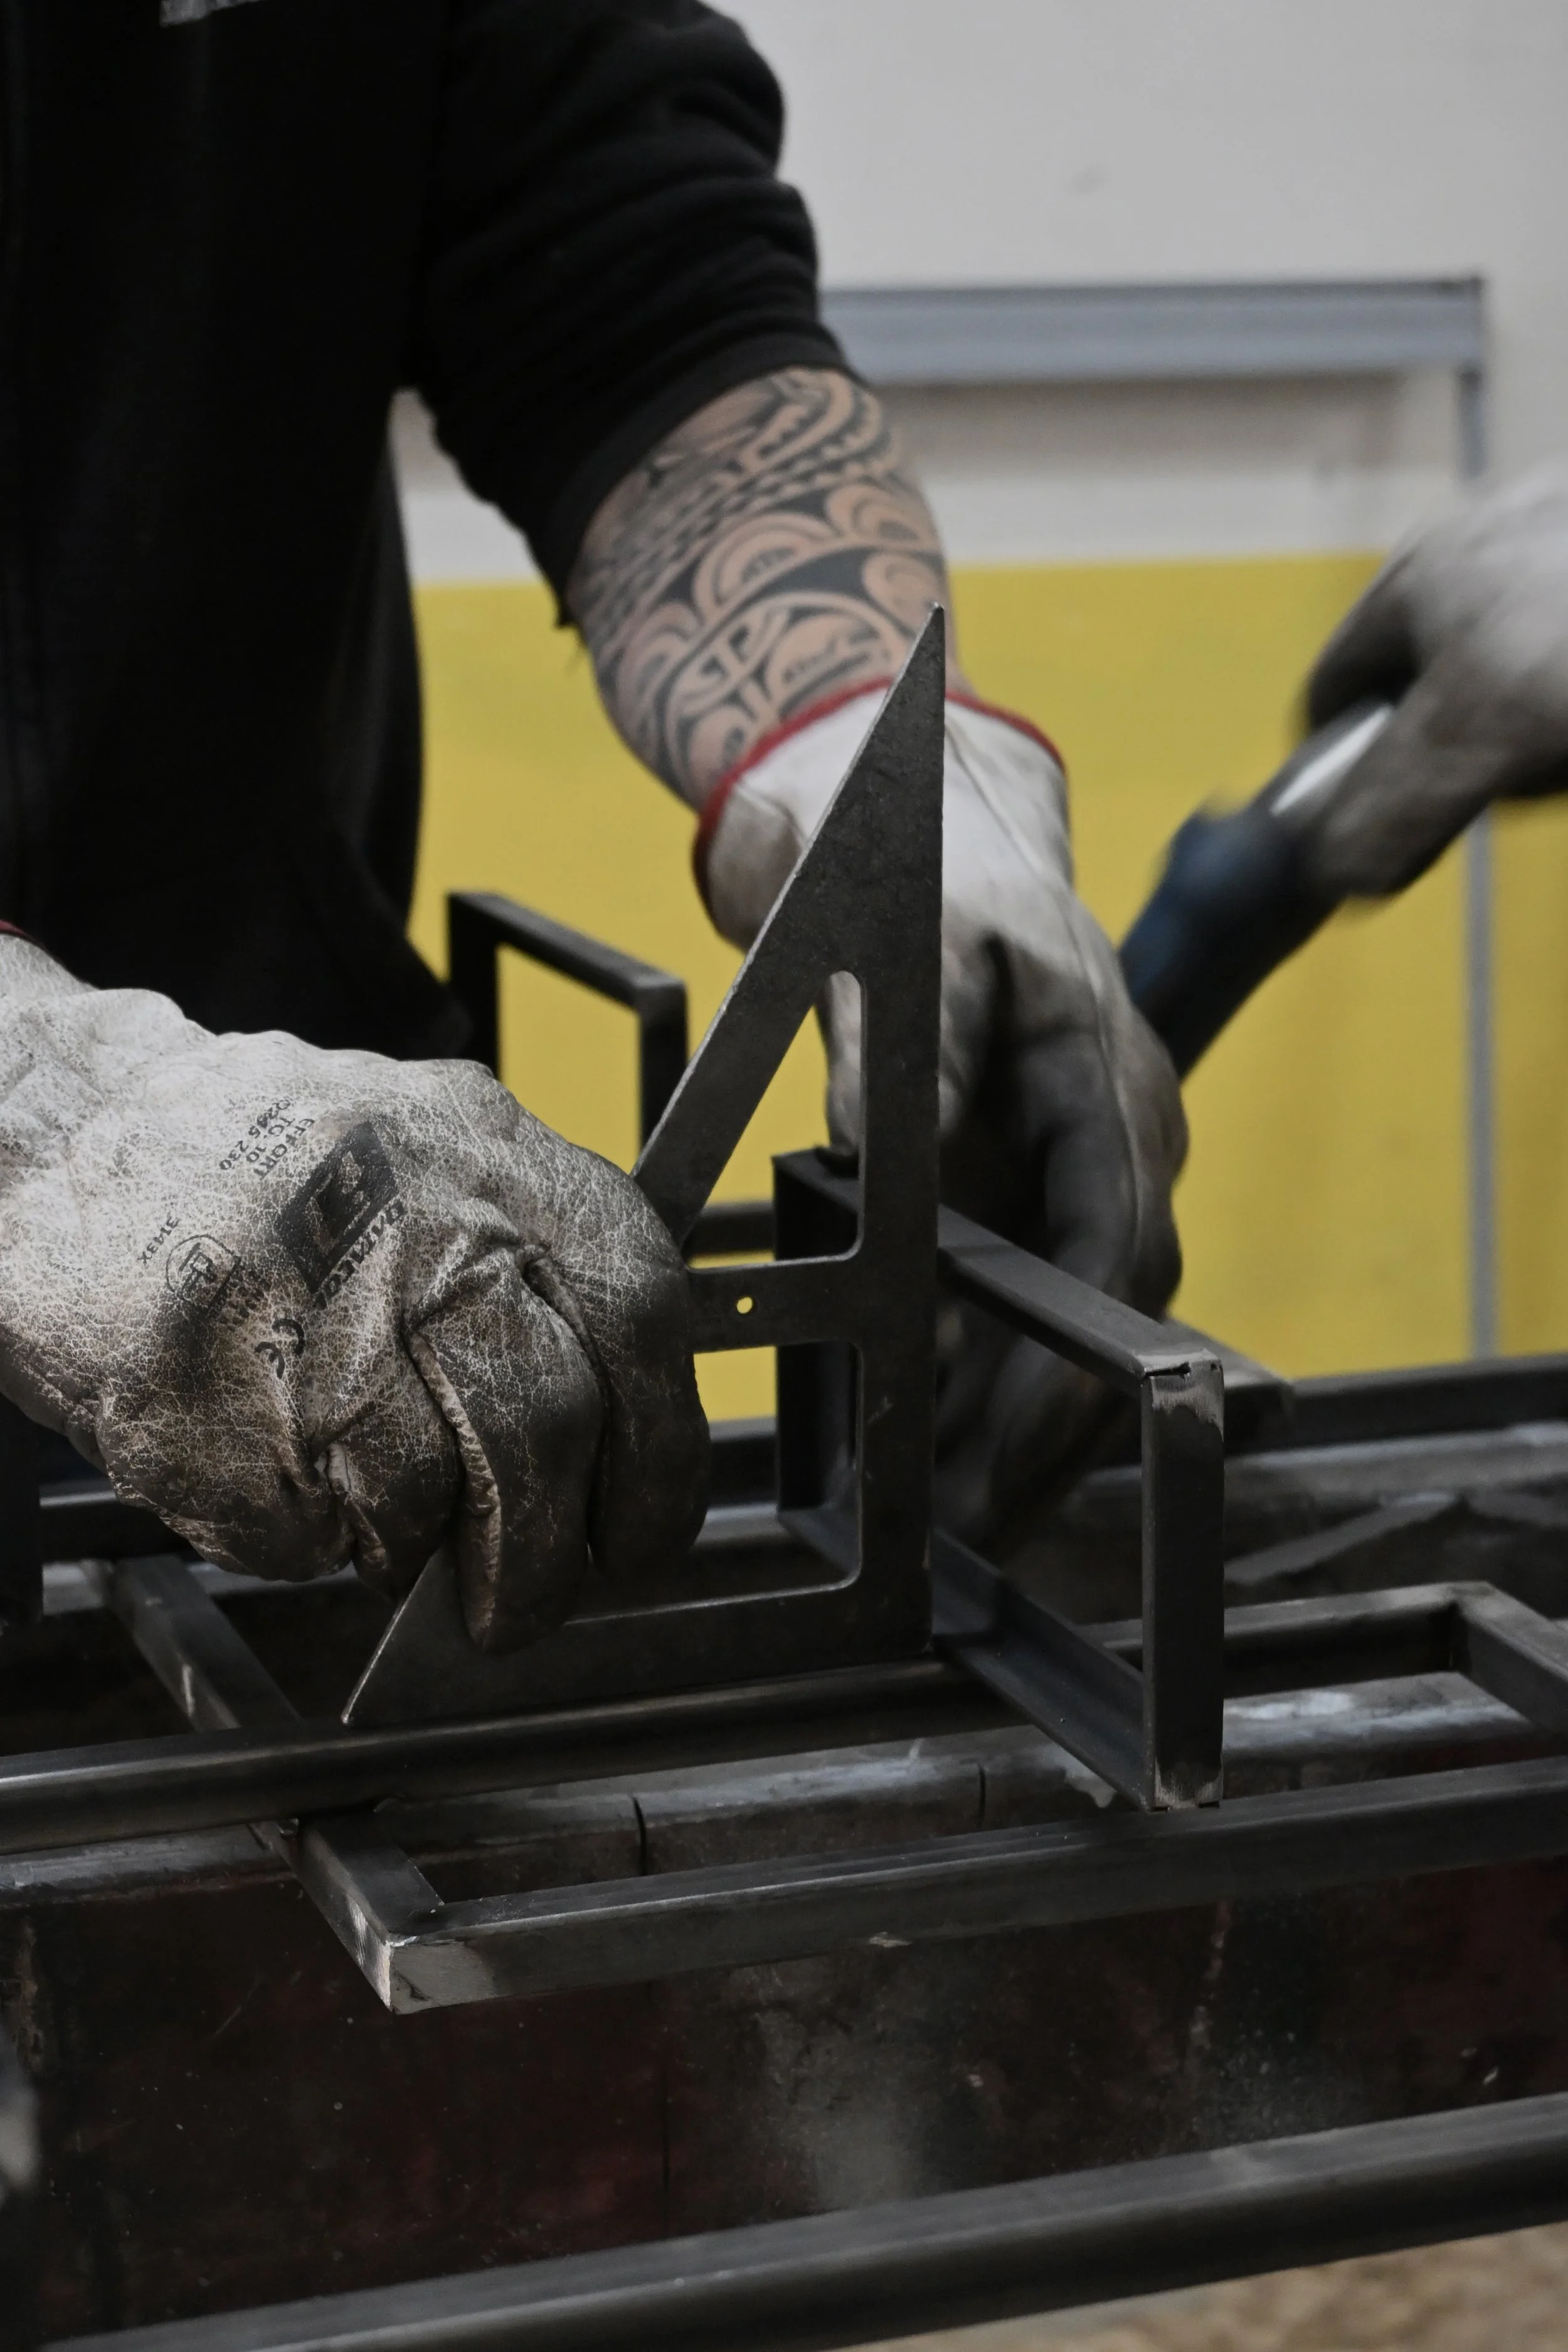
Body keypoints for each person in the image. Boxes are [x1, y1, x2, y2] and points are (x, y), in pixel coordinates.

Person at [0, 0, 1184, 1648]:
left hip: (315, 1289)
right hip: (168, 1187)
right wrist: (49, 1119)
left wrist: (854, 739)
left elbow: (620, 285)